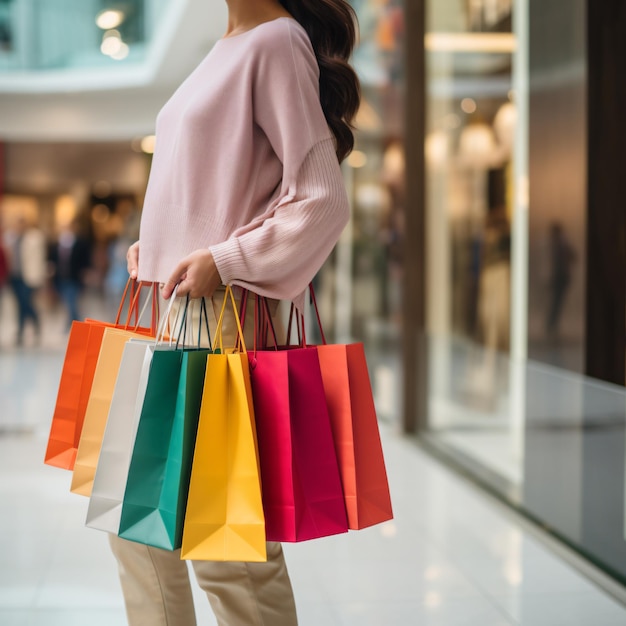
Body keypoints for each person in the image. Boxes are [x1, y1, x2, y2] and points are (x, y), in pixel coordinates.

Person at [117, 1, 360, 624]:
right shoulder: (224, 47)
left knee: (225, 544)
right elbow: (213, 188)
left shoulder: (276, 41)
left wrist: (224, 259)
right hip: (172, 315)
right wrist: (158, 241)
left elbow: (321, 200)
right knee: (139, 524)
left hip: (222, 319)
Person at [4, 217, 47, 346]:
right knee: (19, 305)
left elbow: (40, 258)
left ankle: (34, 323)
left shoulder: (34, 238)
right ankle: (21, 331)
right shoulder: (10, 238)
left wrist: (41, 277)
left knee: (25, 302)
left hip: (28, 276)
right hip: (14, 276)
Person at [48, 219, 91, 328]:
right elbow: (53, 259)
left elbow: (85, 259)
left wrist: (86, 272)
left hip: (74, 278)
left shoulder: (80, 243)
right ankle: (74, 324)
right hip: (60, 278)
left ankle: (74, 325)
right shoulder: (57, 243)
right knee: (67, 302)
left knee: (71, 301)